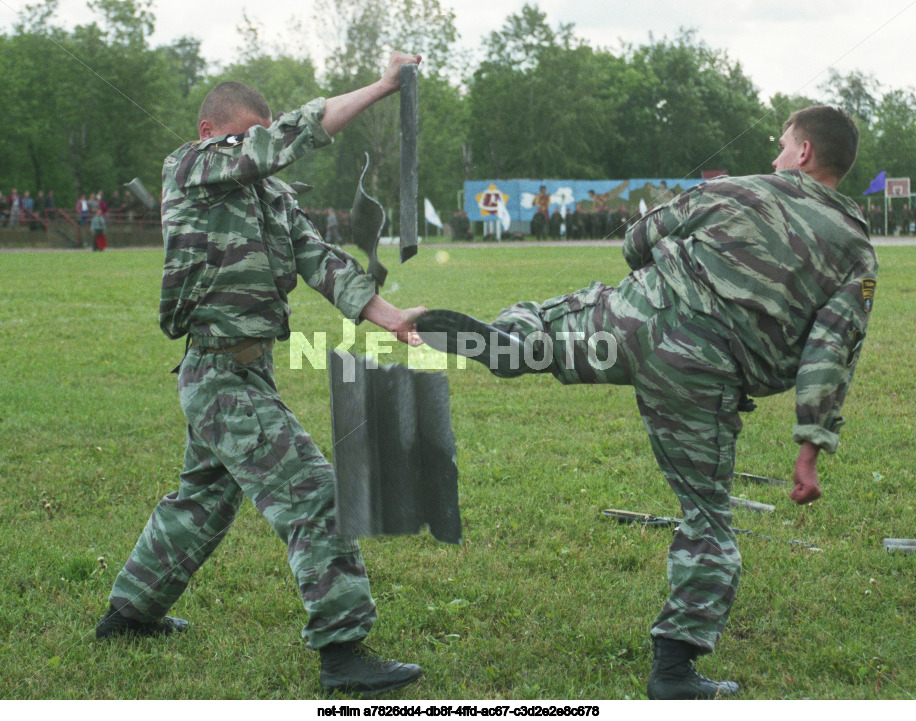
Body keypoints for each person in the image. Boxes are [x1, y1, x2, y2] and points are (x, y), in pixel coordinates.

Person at [416, 105, 877, 699]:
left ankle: (512, 343)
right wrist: (811, 446)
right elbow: (830, 351)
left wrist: (659, 274)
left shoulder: (734, 190)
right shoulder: (856, 252)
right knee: (706, 515)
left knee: (545, 325)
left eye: (783, 145)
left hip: (631, 321)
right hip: (702, 371)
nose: (775, 156)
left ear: (806, 153)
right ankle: (675, 671)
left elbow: (638, 240)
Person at [95, 51, 428, 696]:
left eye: (258, 134)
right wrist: (385, 86)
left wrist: (388, 316)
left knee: (200, 500)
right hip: (218, 374)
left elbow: (321, 260)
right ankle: (342, 653)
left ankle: (130, 613)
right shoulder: (188, 168)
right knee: (315, 493)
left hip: (248, 377)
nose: (255, 148)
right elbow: (288, 138)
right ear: (209, 133)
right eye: (244, 136)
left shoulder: (267, 197)